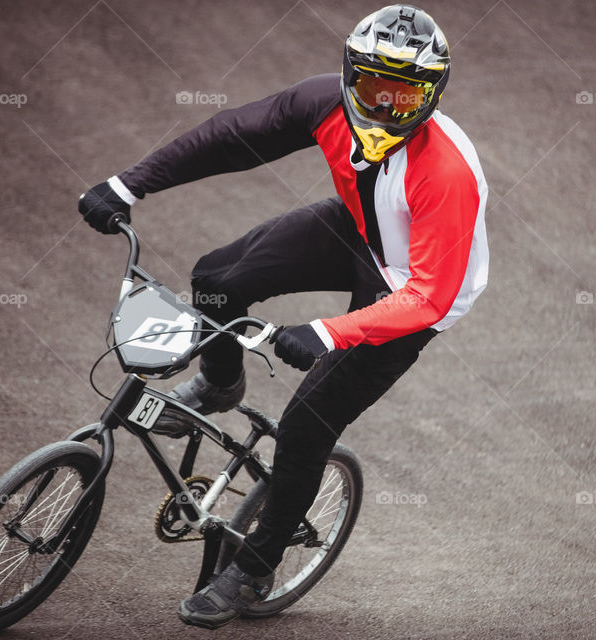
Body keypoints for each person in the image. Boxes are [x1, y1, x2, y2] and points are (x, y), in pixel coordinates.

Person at [78, 4, 488, 629]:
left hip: (414, 295)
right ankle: (221, 383)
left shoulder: (446, 173)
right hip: (362, 230)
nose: (384, 108)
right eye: (374, 87)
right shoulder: (322, 103)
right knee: (216, 278)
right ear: (350, 74)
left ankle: (255, 568)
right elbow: (229, 137)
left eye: (404, 96)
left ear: (431, 95)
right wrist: (129, 184)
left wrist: (323, 332)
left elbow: (427, 296)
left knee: (304, 427)